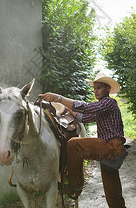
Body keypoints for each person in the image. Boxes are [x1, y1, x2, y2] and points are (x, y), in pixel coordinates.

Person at [39, 73, 127, 208]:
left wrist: (58, 98)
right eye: (95, 88)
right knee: (112, 190)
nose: (96, 91)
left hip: (110, 147)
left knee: (74, 144)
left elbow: (85, 108)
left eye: (99, 88)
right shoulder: (102, 108)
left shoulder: (109, 103)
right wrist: (62, 105)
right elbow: (83, 117)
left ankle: (75, 186)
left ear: (108, 89)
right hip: (110, 152)